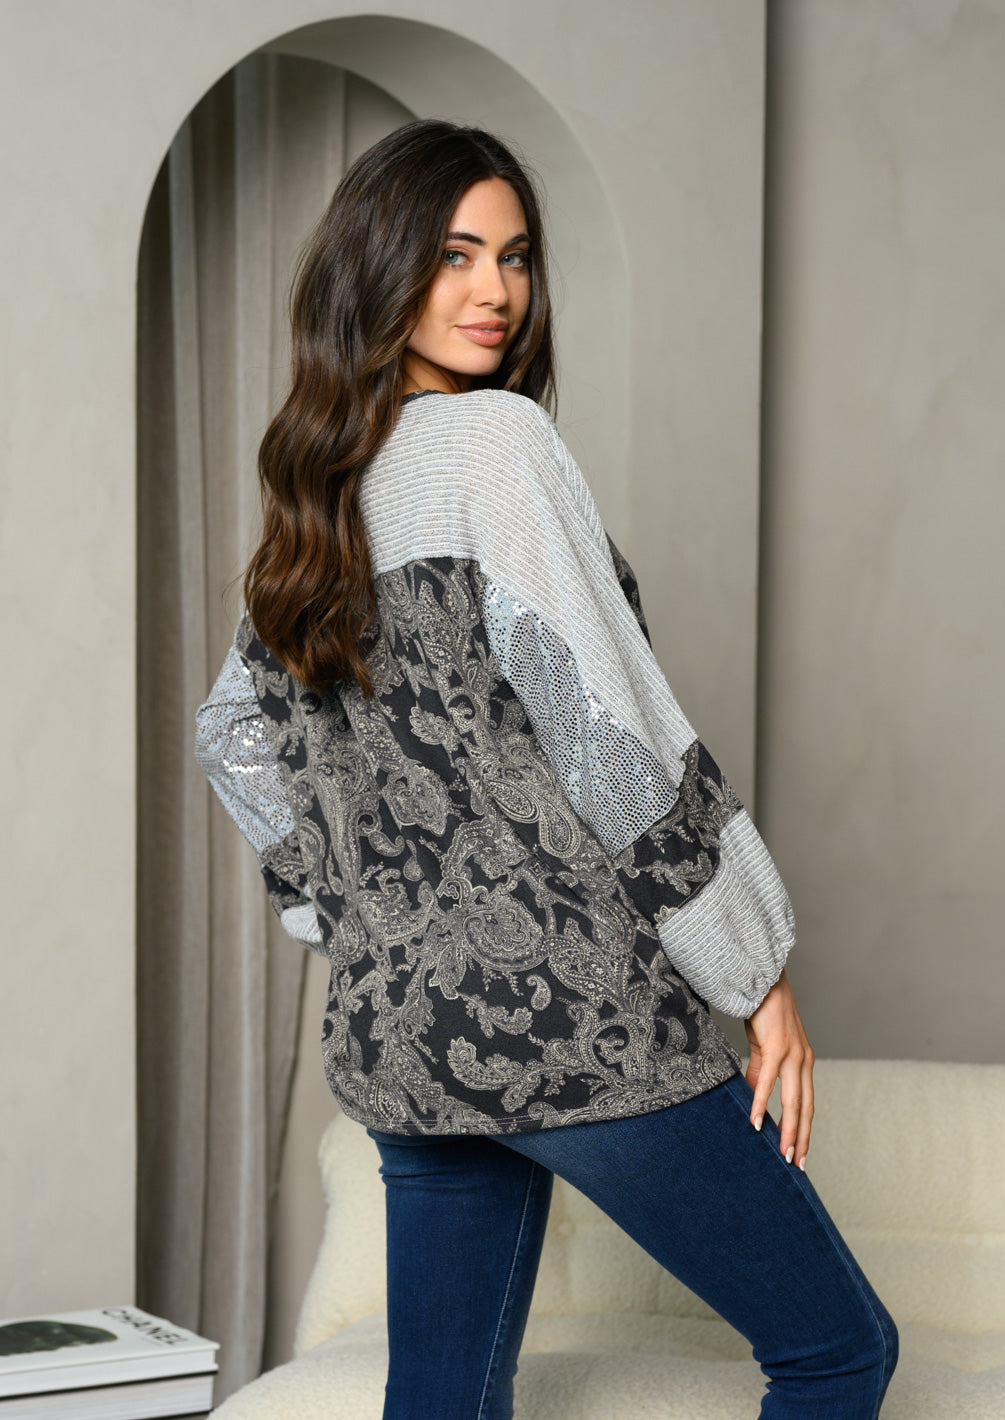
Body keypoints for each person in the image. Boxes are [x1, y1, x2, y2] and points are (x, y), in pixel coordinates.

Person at [195, 119, 897, 1419]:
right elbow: (611, 732)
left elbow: (234, 736)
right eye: (454, 254)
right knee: (836, 1351)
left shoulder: (321, 489)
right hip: (574, 1019)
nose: (495, 291)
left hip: (405, 1037)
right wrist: (753, 971)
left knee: (444, 1397)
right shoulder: (498, 445)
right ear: (379, 266)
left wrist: (353, 913)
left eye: (514, 257)